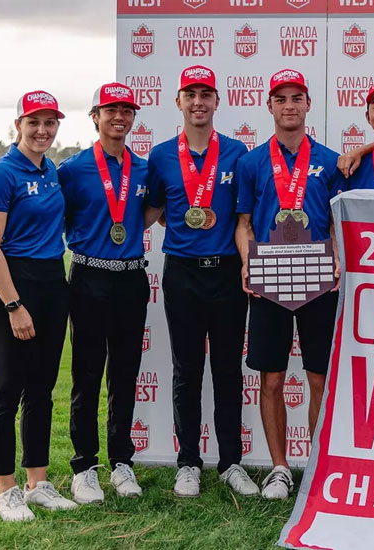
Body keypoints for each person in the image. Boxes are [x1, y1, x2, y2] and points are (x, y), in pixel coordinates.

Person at [145, 65, 258, 497]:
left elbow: (241, 219)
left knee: (228, 370)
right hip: (182, 274)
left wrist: (248, 263)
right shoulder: (159, 156)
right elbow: (152, 213)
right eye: (189, 94)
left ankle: (231, 462)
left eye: (205, 94)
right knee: (186, 370)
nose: (198, 102)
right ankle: (188, 462)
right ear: (178, 101)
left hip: (227, 273)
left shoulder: (236, 153)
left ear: (216, 100)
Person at [235, 69, 345, 500]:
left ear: (307, 104)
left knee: (318, 378)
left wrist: (337, 258)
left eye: (296, 97)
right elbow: (243, 224)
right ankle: (280, 467)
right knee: (273, 379)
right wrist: (248, 264)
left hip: (318, 281)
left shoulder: (332, 161)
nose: (289, 106)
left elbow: (337, 223)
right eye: (280, 99)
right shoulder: (251, 163)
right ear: (270, 107)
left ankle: (317, 466)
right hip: (269, 281)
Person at [0, 90, 77, 520]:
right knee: (6, 390)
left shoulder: (52, 169)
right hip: (12, 289)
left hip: (53, 283)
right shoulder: (2, 173)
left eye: (50, 123)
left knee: (41, 390)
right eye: (33, 122)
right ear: (17, 125)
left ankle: (38, 482)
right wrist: (14, 304)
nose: (42, 131)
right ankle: (6, 489)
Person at [58, 83, 150, 504]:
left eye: (126, 110)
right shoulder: (73, 169)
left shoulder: (144, 168)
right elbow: (53, 221)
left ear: (133, 117)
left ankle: (122, 463)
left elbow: (149, 214)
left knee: (126, 374)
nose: (119, 117)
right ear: (95, 116)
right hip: (90, 277)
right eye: (110, 110)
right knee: (87, 375)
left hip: (131, 278)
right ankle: (84, 467)